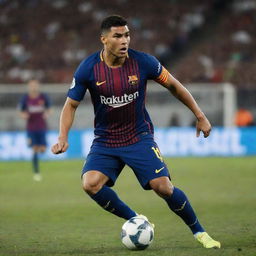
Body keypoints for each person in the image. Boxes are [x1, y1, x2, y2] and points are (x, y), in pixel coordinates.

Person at [51, 15, 220, 248]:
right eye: (118, 36)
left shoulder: (144, 62)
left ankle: (199, 232)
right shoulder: (88, 69)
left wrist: (200, 116)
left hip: (138, 137)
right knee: (90, 184)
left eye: (127, 35)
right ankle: (136, 219)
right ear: (104, 39)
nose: (125, 40)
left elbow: (174, 85)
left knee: (163, 187)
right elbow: (70, 105)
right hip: (106, 140)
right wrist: (62, 137)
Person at [19, 79, 51, 181]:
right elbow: (21, 110)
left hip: (42, 127)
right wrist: (24, 115)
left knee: (42, 149)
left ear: (38, 86)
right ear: (29, 87)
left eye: (35, 85)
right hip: (31, 128)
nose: (33, 87)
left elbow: (49, 108)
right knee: (34, 149)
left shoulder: (43, 97)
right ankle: (36, 172)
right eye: (31, 85)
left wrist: (47, 113)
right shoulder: (25, 98)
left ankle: (36, 148)